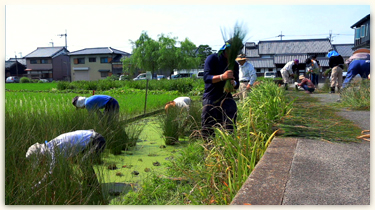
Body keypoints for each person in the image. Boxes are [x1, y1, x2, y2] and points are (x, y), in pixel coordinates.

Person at [25, 130, 106, 189]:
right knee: (78, 163)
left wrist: (34, 187)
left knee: (83, 163)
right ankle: (89, 185)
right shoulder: (51, 146)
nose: (41, 163)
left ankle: (95, 187)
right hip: (88, 143)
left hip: (97, 141)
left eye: (40, 161)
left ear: (41, 155)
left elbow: (51, 173)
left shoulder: (53, 150)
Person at [201, 40, 240, 140]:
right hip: (211, 97)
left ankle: (229, 147)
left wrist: (234, 83)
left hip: (226, 97)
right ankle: (208, 150)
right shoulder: (213, 59)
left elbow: (237, 84)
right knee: (208, 128)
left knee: (230, 126)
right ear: (226, 50)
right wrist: (222, 77)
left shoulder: (234, 64)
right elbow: (206, 78)